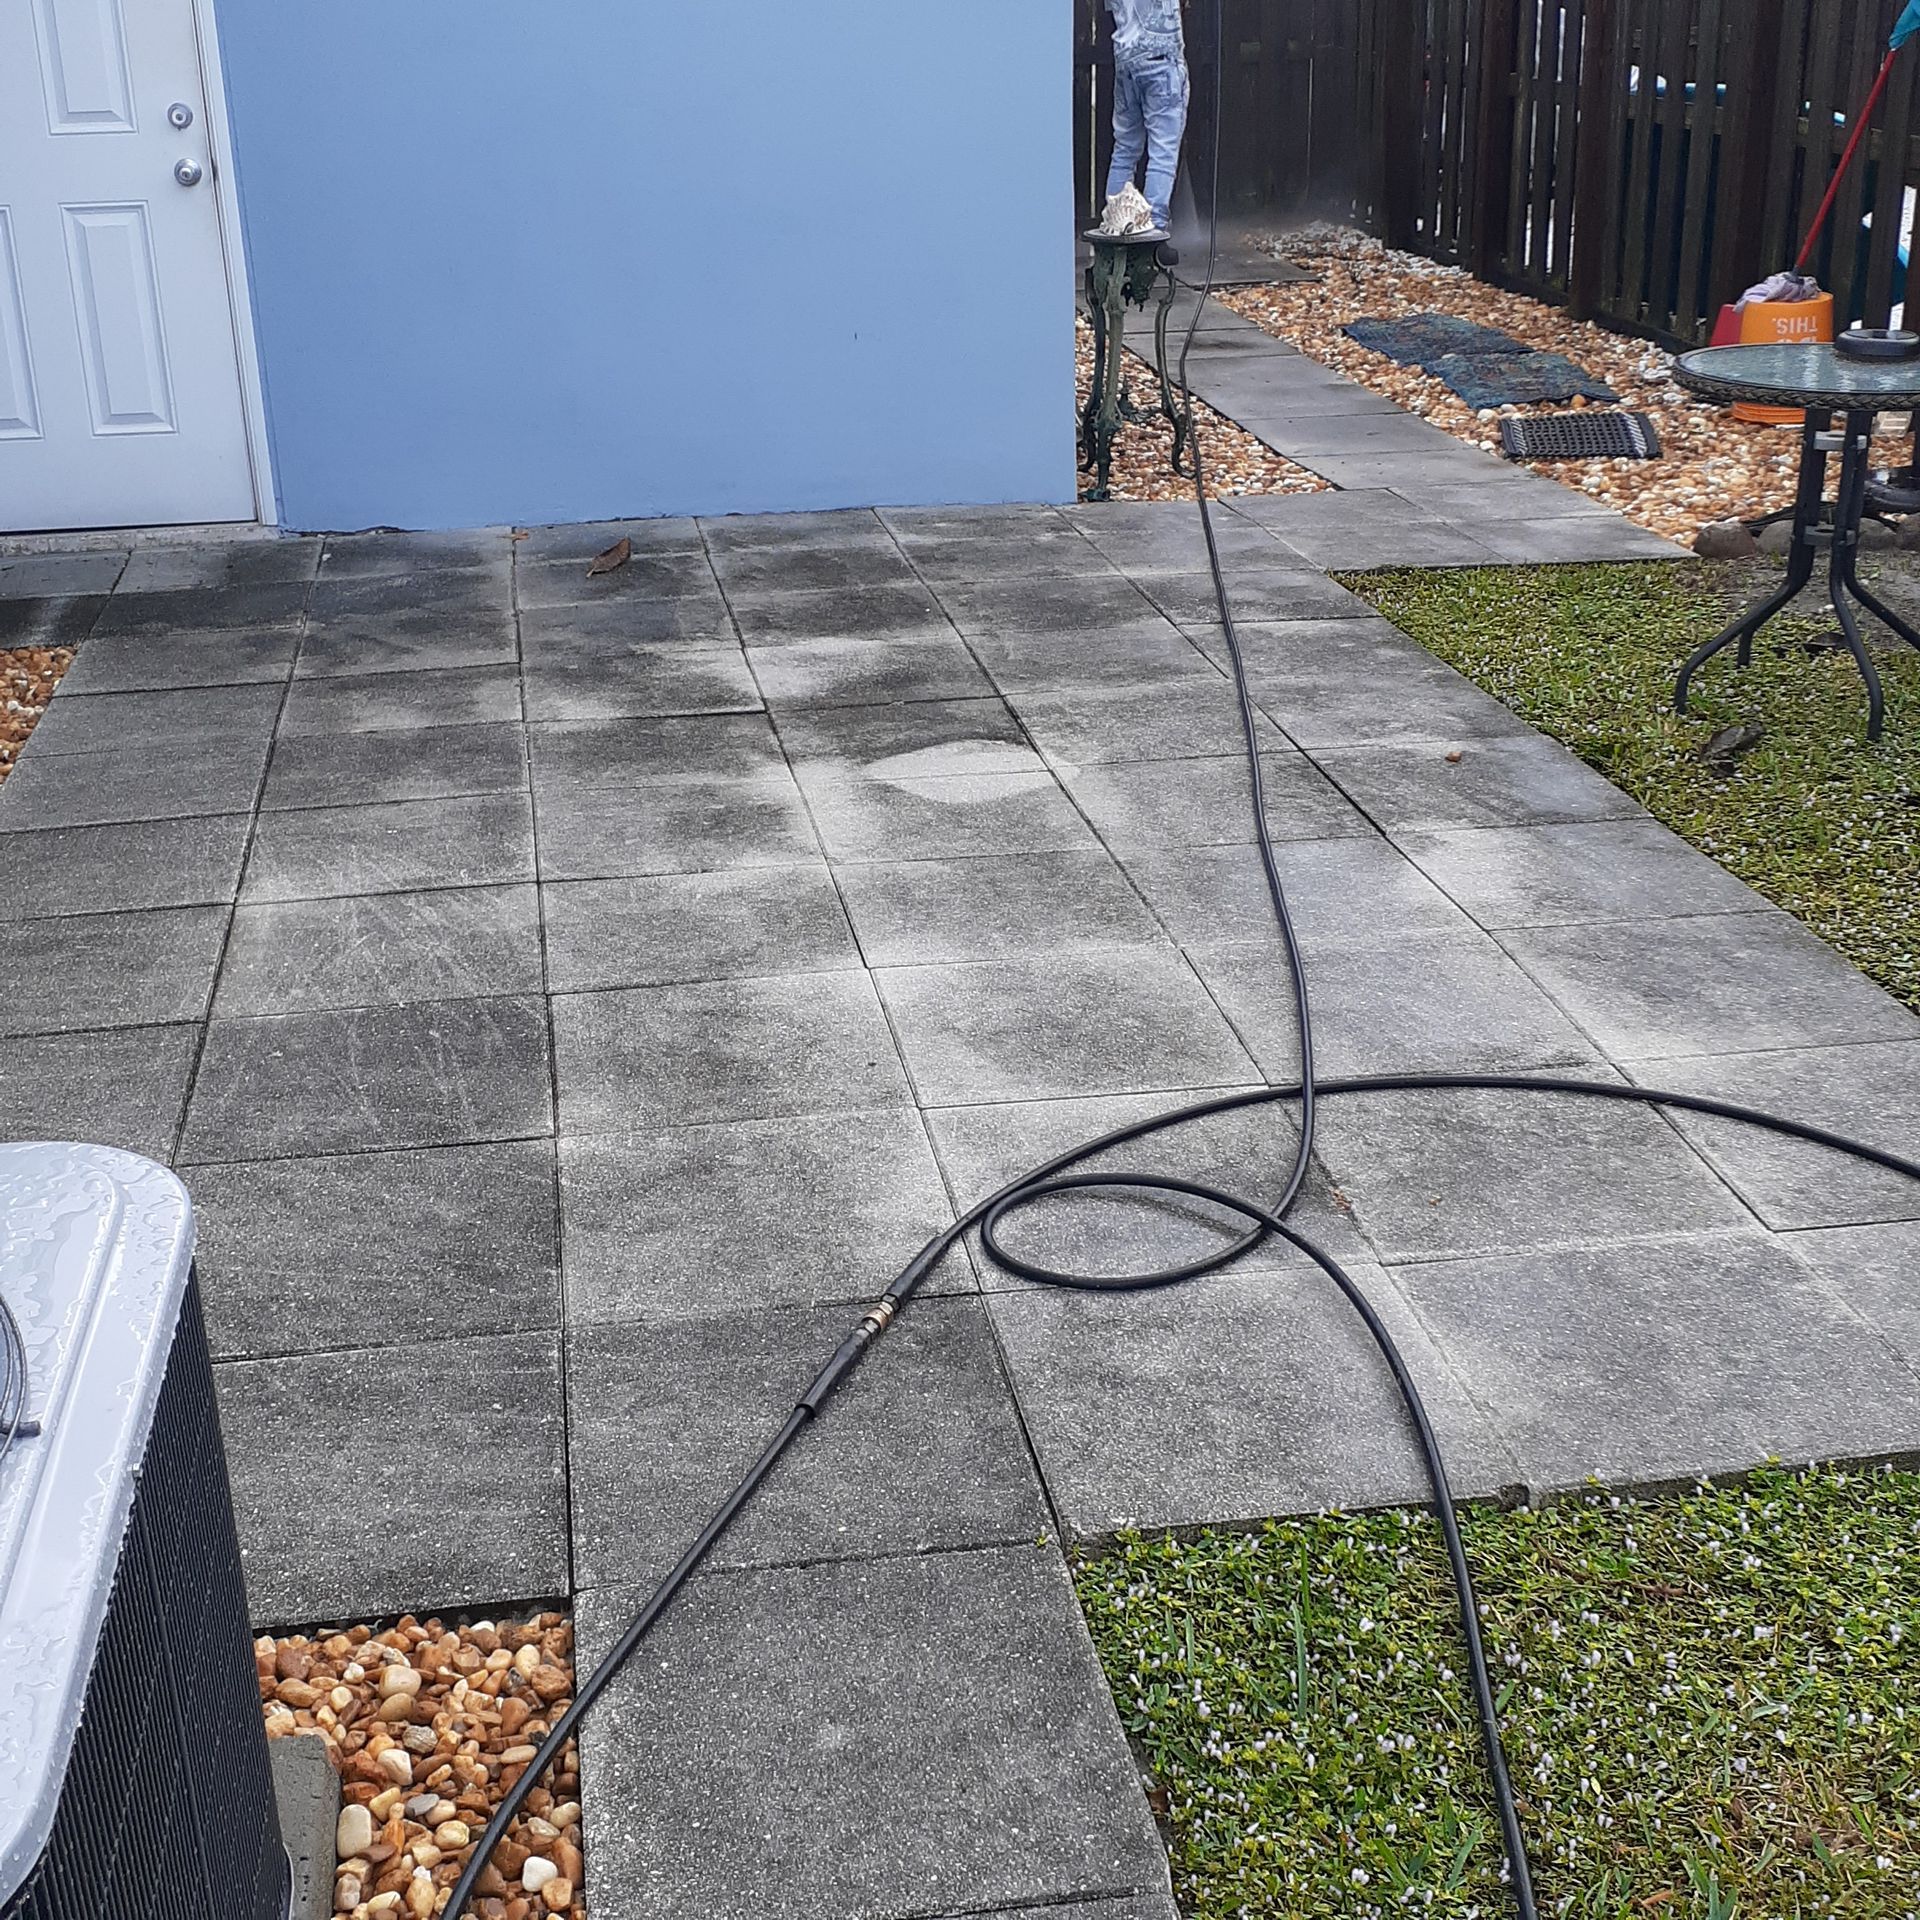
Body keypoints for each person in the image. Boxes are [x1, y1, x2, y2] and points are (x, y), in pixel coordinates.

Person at [1100, 0, 1189, 240]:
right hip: (1161, 59)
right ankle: (1153, 232)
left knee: (1125, 150)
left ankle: (1114, 230)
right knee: (1163, 151)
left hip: (1126, 60)